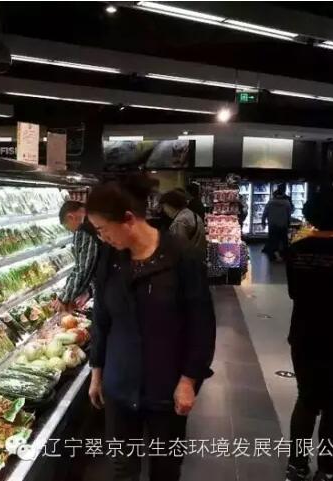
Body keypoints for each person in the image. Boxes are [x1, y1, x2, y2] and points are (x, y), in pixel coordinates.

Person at [86, 177, 216, 481]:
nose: (102, 238)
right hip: (120, 384)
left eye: (103, 229)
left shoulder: (182, 257)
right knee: (121, 469)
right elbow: (102, 318)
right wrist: (97, 373)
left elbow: (201, 325)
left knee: (165, 468)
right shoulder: (110, 258)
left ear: (128, 219)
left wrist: (189, 380)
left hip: (166, 387)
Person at [284, 190, 333, 481]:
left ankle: (297, 465)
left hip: (304, 333)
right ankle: (327, 468)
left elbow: (293, 292)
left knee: (306, 398)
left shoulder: (296, 249)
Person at [55, 200, 99, 312]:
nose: (71, 231)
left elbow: (83, 268)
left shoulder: (83, 230)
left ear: (70, 217)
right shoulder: (94, 219)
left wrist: (64, 298)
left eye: (68, 227)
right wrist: (89, 292)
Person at [159, 189, 207, 259]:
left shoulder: (180, 221)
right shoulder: (191, 214)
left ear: (169, 205)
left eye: (164, 207)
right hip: (198, 257)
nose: (164, 210)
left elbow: (178, 249)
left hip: (189, 261)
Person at [262, 183, 293, 261]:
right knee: (284, 240)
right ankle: (285, 256)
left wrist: (263, 221)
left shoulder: (270, 202)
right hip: (283, 225)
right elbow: (289, 214)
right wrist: (289, 223)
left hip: (272, 225)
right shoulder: (286, 202)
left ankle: (272, 257)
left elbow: (265, 213)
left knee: (273, 241)